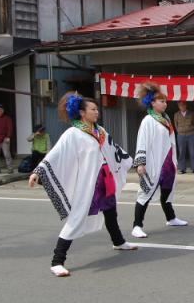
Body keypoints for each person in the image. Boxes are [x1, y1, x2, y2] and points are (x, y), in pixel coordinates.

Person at [29, 92, 138, 277]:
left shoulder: (99, 131)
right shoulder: (73, 133)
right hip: (89, 183)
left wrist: (130, 160)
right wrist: (38, 171)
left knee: (111, 211)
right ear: (81, 113)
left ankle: (118, 241)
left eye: (97, 109)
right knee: (77, 217)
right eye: (93, 109)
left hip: (105, 178)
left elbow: (113, 149)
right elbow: (56, 153)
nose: (97, 112)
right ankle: (57, 261)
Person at [131, 82, 188, 238]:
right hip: (154, 162)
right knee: (145, 193)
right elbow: (141, 142)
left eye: (165, 101)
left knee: (167, 191)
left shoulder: (166, 118)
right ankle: (137, 225)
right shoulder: (148, 120)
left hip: (168, 161)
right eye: (162, 101)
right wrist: (140, 163)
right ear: (152, 102)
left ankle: (171, 218)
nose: (165, 104)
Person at [174, 100, 194, 174]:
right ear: (178, 106)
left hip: (191, 135)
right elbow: (176, 124)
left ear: (186, 105)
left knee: (192, 152)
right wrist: (179, 130)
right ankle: (182, 169)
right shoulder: (176, 114)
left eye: (183, 105)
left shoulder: (191, 113)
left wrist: (191, 129)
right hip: (181, 135)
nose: (182, 106)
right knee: (181, 152)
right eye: (180, 105)